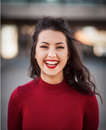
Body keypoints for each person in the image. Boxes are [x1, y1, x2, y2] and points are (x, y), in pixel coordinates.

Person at [8, 17, 102, 130]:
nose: (52, 54)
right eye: (44, 46)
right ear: (35, 53)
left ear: (68, 54)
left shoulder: (87, 98)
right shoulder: (18, 96)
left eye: (59, 47)